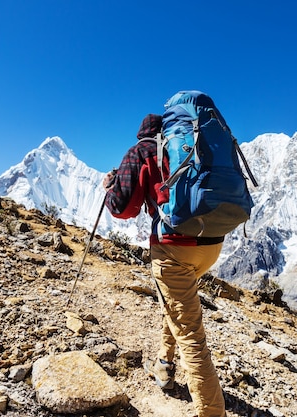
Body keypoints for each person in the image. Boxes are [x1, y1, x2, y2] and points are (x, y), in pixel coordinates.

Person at [103, 114, 226, 417]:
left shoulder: (141, 151)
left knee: (192, 338)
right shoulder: (191, 148)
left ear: (141, 133)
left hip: (174, 247)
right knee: (174, 302)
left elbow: (123, 208)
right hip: (210, 244)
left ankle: (212, 412)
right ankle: (164, 366)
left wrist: (110, 187)